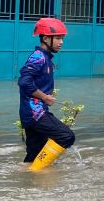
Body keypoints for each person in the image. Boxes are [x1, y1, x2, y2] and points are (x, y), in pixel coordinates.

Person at [18, 18, 76, 170]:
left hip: (30, 113)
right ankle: (36, 171)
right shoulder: (38, 57)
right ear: (45, 38)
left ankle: (29, 177)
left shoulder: (45, 57)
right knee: (66, 136)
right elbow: (24, 82)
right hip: (35, 113)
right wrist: (44, 97)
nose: (61, 42)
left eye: (62, 38)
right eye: (57, 38)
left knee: (34, 155)